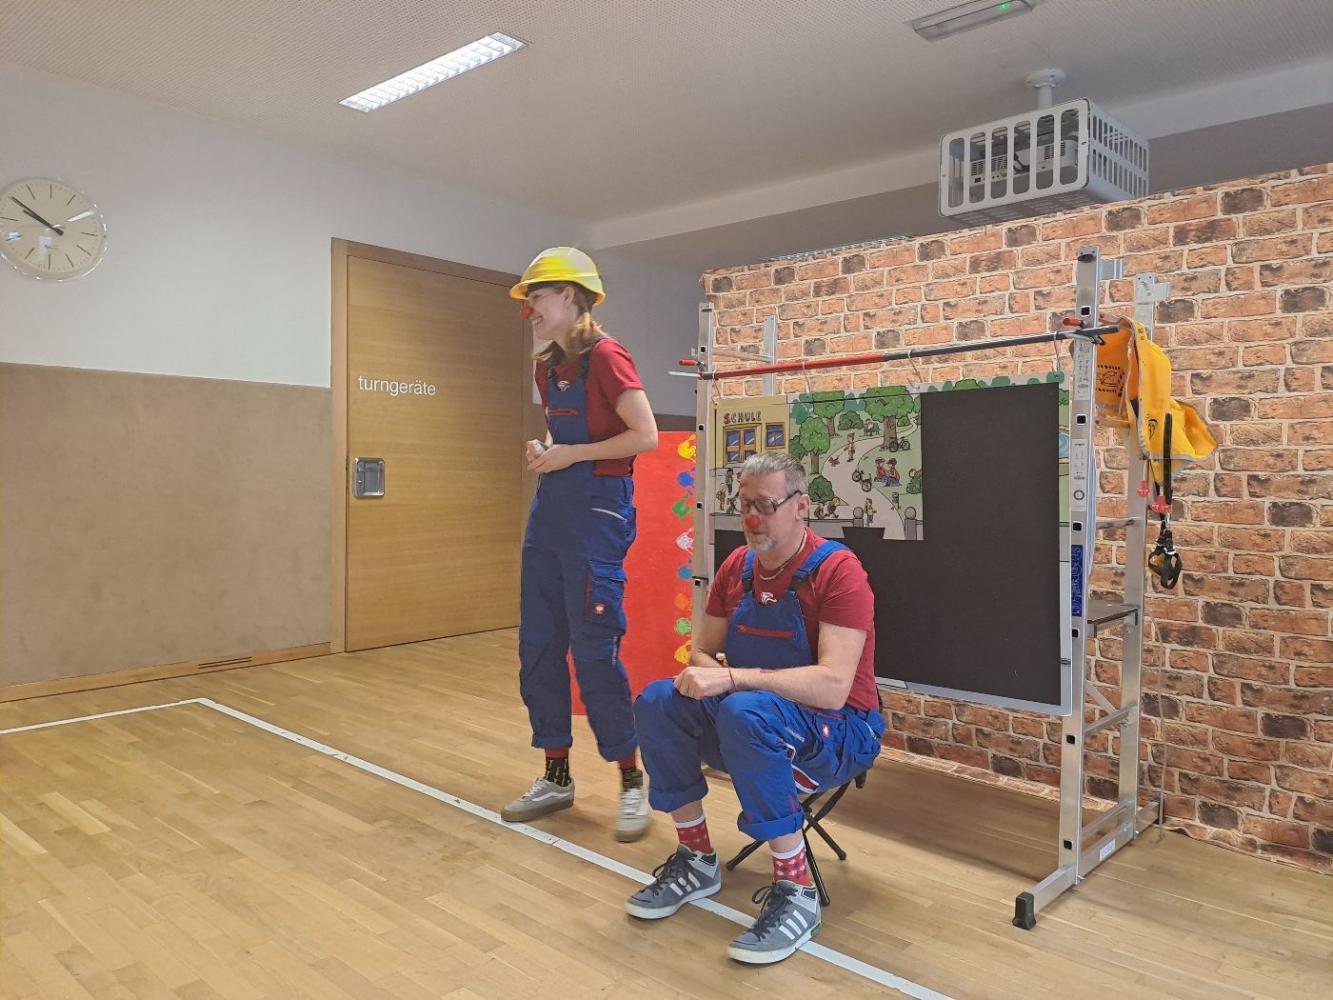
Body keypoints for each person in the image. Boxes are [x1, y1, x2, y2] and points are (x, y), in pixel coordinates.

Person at [627, 451, 885, 964]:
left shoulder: (839, 571)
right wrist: (716, 677)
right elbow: (702, 652)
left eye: (764, 505)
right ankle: (696, 858)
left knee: (746, 712)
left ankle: (797, 891)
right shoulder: (736, 567)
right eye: (743, 504)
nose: (750, 518)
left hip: (841, 733)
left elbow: (834, 687)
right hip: (753, 722)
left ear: (801, 506)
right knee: (658, 701)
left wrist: (731, 679)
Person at [501, 247, 659, 843]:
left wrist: (573, 455)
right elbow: (565, 433)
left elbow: (644, 436)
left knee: (594, 653)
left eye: (537, 298)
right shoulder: (547, 366)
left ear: (570, 296)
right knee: (540, 647)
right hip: (551, 516)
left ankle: (631, 781)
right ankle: (556, 776)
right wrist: (548, 451)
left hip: (598, 516)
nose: (530, 311)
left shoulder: (609, 357)